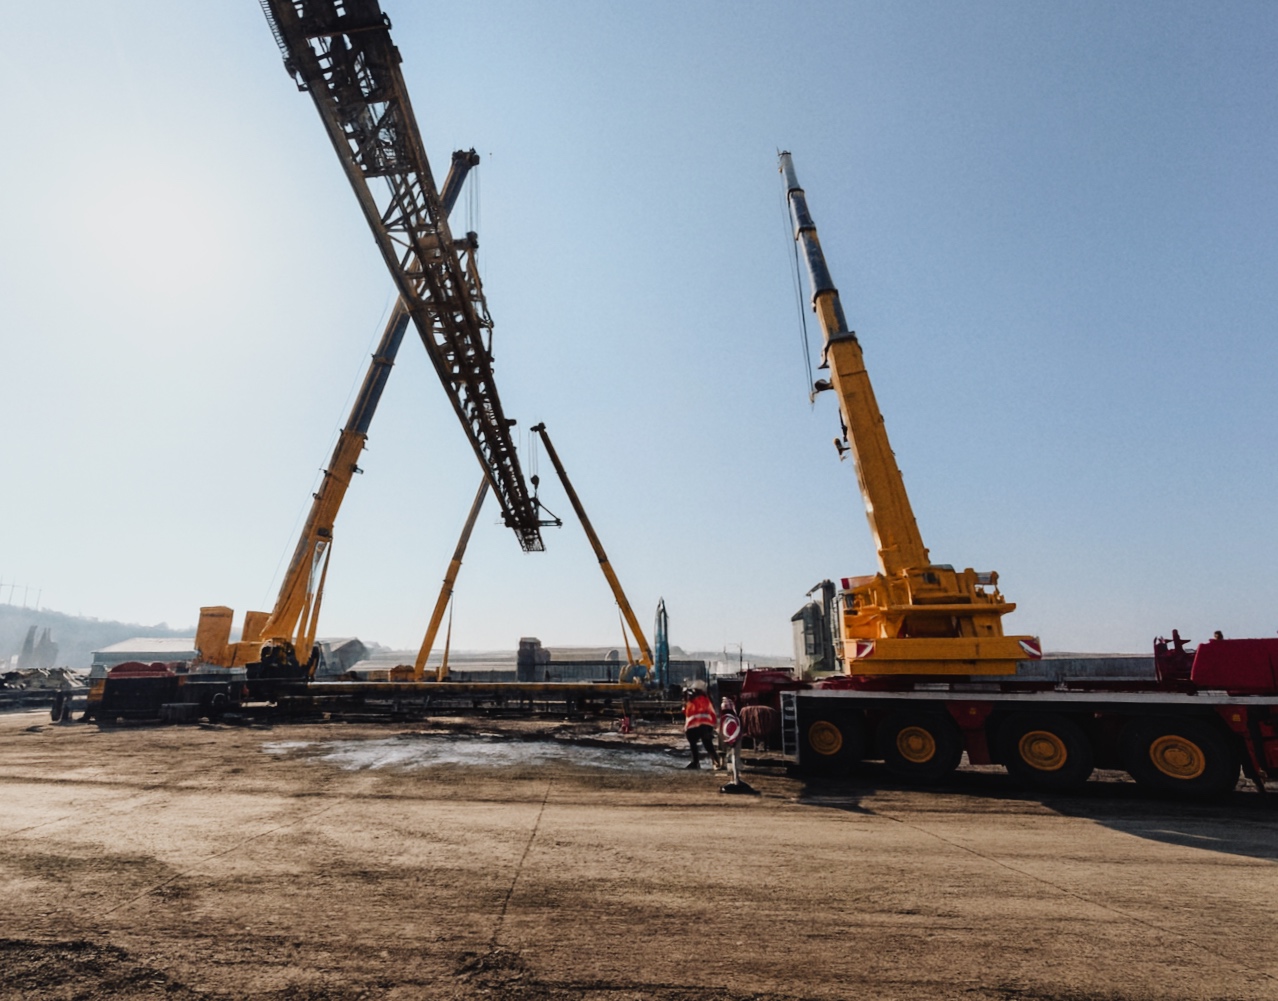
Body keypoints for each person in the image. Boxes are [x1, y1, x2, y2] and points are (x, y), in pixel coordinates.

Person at [682, 682, 719, 769]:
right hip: (704, 726)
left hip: (693, 727)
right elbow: (711, 712)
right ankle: (716, 761)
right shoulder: (705, 699)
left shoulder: (691, 701)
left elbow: (686, 712)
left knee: (693, 744)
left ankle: (696, 763)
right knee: (707, 743)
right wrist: (714, 725)